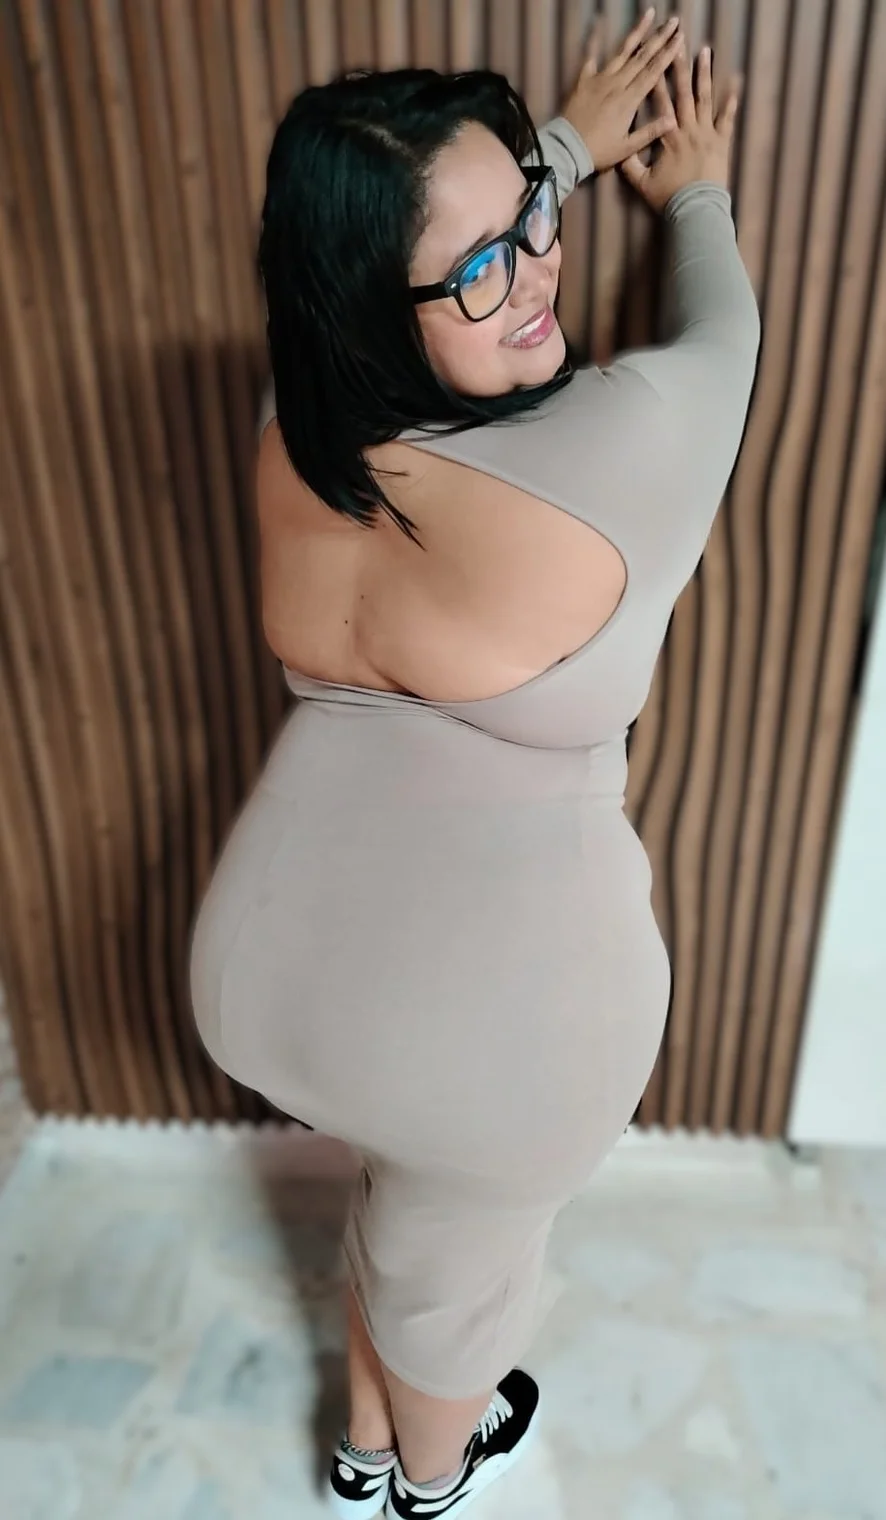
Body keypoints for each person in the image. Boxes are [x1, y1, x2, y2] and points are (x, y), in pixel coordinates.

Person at [189, 11, 760, 1517]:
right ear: (376, 306)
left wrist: (550, 157)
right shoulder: (626, 450)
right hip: (496, 1035)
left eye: (535, 221)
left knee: (408, 1209)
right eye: (487, 262)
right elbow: (728, 342)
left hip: (274, 973)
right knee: (462, 1284)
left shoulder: (293, 424)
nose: (541, 270)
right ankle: (430, 1481)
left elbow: (445, 264)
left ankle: (364, 1445)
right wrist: (695, 189)